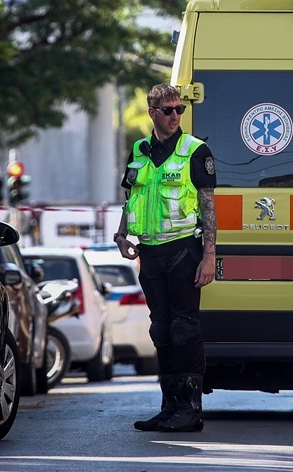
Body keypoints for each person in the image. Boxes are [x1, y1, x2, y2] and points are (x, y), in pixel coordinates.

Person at [115, 83, 217, 433]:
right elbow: (132, 197)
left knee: (184, 327)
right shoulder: (140, 150)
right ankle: (169, 406)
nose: (175, 116)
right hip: (150, 252)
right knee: (161, 328)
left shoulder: (194, 150)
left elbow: (208, 205)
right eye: (168, 110)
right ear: (152, 113)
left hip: (183, 249)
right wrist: (120, 234)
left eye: (179, 110)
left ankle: (190, 409)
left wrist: (209, 256)